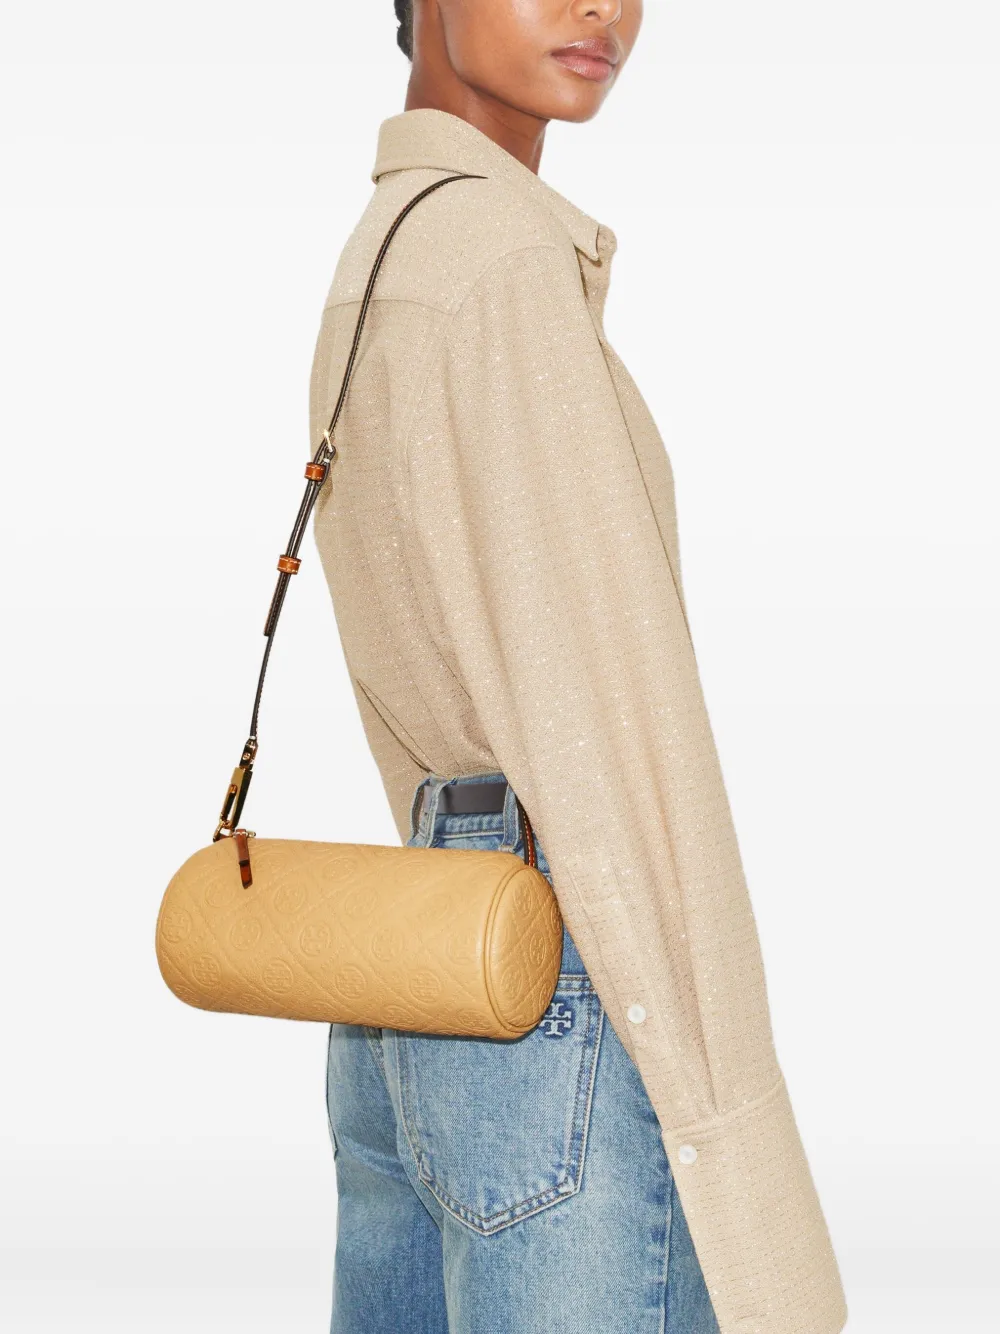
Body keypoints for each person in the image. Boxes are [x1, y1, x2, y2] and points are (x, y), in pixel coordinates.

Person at [310, 3, 848, 1332]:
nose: (601, 6)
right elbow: (611, 730)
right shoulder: (498, 263)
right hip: (567, 980)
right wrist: (731, 1121)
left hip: (418, 965)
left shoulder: (384, 248)